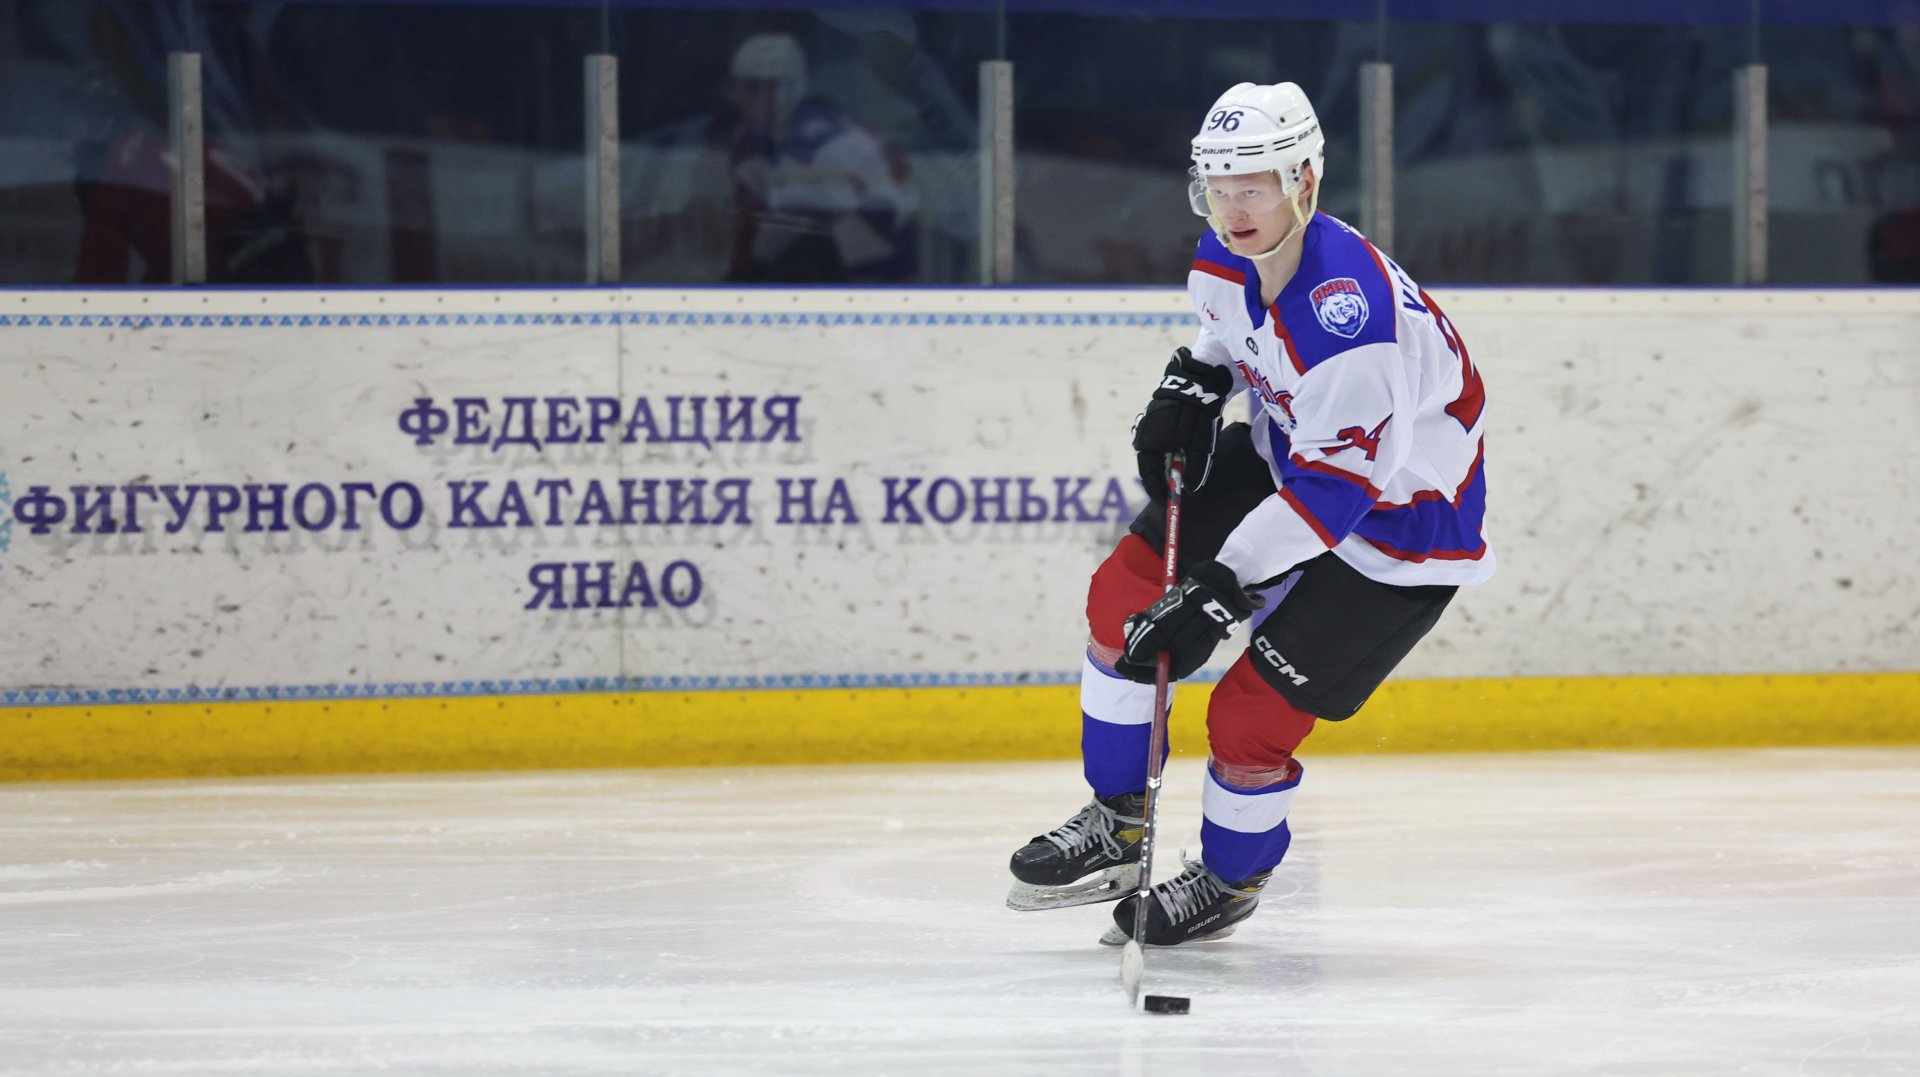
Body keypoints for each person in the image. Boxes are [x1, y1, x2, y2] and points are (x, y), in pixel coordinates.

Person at [1006, 82, 1495, 947]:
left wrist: (1223, 584)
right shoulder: (1226, 255)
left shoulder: (1353, 328)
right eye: (1218, 188)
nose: (1234, 211)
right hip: (1293, 461)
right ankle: (1118, 819)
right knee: (1121, 600)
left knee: (1247, 718)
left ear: (1304, 181)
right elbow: (1235, 330)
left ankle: (1230, 880)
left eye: (1254, 189)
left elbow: (1334, 494)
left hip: (1401, 530)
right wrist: (1199, 378)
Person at [720, 32, 918, 283]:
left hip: (875, 279)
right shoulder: (769, 138)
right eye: (736, 86)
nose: (736, 97)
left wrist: (746, 275)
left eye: (749, 88)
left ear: (781, 91)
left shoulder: (824, 146)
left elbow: (776, 237)